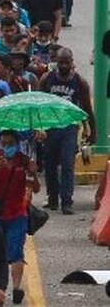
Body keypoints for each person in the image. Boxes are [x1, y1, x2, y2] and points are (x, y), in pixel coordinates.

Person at [0, 130, 39, 305]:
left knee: (16, 251)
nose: (7, 147)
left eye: (10, 143)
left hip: (17, 214)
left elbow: (35, 189)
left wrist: (34, 173)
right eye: (3, 143)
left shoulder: (25, 161)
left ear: (17, 144)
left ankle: (17, 287)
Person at [38, 48, 96, 214]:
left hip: (69, 128)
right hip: (50, 128)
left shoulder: (79, 82)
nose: (64, 65)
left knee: (67, 164)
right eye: (61, 62)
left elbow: (87, 109)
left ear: (72, 62)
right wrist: (39, 127)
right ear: (56, 61)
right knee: (49, 164)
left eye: (67, 62)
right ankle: (53, 199)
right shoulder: (47, 79)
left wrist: (92, 132)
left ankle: (67, 201)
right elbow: (39, 104)